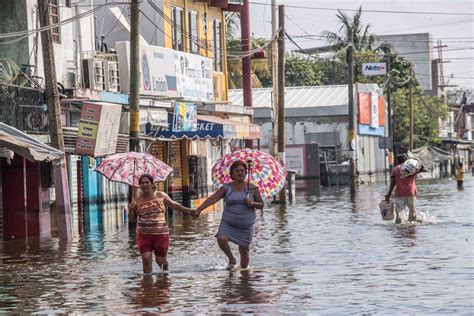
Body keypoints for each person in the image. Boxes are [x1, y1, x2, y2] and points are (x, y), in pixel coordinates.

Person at [194, 161, 264, 270]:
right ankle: (231, 258)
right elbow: (212, 199)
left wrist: (252, 203)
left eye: (242, 171)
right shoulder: (226, 187)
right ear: (232, 174)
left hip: (246, 227)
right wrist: (199, 209)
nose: (240, 173)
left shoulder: (252, 188)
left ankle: (244, 276)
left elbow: (261, 204)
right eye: (237, 171)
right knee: (221, 238)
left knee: (244, 251)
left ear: (246, 173)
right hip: (228, 224)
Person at [128, 174, 195, 274]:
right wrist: (130, 209)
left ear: (152, 184)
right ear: (139, 185)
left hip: (161, 235)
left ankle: (165, 275)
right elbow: (132, 220)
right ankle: (148, 285)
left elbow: (174, 205)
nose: (144, 185)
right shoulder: (136, 201)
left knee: (161, 261)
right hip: (143, 235)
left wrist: (188, 210)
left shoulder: (160, 195)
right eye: (142, 183)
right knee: (146, 259)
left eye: (147, 182)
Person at [385, 154, 422, 224]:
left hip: (399, 194)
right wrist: (414, 159)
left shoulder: (395, 169)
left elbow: (393, 183)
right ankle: (411, 230)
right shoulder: (412, 168)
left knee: (399, 214)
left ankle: (400, 230)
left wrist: (389, 194)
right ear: (407, 160)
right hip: (411, 193)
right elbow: (422, 168)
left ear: (397, 161)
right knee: (412, 214)